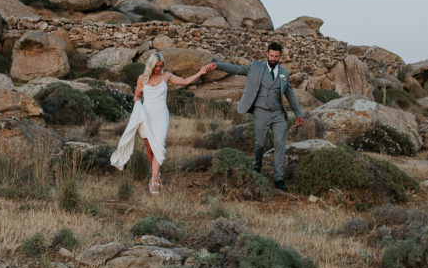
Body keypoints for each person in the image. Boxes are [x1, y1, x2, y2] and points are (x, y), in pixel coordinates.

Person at [110, 50, 211, 195]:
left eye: (160, 65)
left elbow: (185, 81)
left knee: (159, 144)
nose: (158, 69)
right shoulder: (142, 78)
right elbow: (136, 97)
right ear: (151, 65)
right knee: (150, 148)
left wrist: (200, 72)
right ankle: (155, 171)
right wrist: (138, 109)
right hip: (146, 117)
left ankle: (154, 179)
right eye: (156, 66)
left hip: (161, 116)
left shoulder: (166, 76)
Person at [210, 42, 304, 190]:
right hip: (261, 111)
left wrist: (299, 113)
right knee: (260, 144)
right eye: (271, 55)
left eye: (276, 56)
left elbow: (290, 93)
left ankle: (279, 178)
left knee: (280, 143)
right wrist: (218, 65)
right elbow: (238, 69)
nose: (273, 58)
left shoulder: (284, 73)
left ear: (280, 57)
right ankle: (257, 166)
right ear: (267, 54)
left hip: (278, 113)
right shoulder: (255, 66)